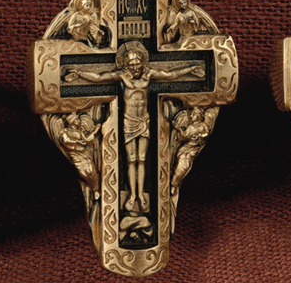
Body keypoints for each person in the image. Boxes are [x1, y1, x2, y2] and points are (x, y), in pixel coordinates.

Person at [64, 43, 205, 212]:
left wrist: (190, 70)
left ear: (143, 63)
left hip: (143, 121)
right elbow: (99, 77)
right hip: (129, 122)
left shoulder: (148, 75)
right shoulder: (122, 76)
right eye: (131, 64)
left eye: (137, 64)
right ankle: (132, 195)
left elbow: (170, 74)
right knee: (131, 160)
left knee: (142, 159)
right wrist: (79, 73)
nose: (135, 67)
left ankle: (141, 195)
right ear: (126, 65)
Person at [60, 113, 101, 198]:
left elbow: (87, 140)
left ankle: (95, 189)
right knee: (82, 173)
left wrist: (95, 131)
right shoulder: (66, 132)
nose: (79, 121)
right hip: (76, 156)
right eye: (77, 120)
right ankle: (87, 189)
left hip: (84, 154)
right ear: (73, 122)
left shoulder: (80, 132)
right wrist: (77, 142)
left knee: (91, 171)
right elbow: (65, 141)